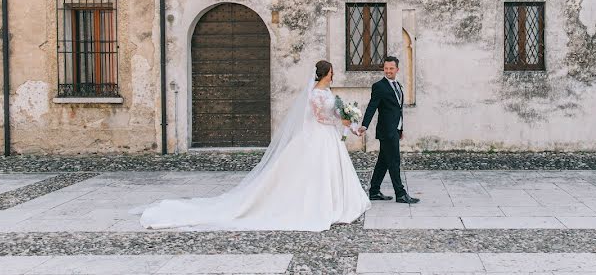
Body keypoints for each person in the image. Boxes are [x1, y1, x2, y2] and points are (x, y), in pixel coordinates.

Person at [139, 60, 370, 231]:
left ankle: (338, 202)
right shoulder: (316, 95)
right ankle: (319, 205)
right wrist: (341, 120)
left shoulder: (328, 92)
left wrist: (352, 126)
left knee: (330, 170)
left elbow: (338, 113)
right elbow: (321, 118)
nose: (333, 75)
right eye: (331, 72)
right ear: (327, 74)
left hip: (328, 137)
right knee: (314, 172)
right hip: (318, 136)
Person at [358, 56, 419, 204]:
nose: (388, 71)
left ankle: (374, 191)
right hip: (386, 131)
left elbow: (397, 110)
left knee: (383, 161)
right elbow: (372, 106)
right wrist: (365, 125)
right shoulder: (379, 86)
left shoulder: (398, 85)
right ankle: (400, 194)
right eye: (386, 68)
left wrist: (400, 128)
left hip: (394, 130)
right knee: (394, 161)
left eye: (391, 68)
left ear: (397, 69)